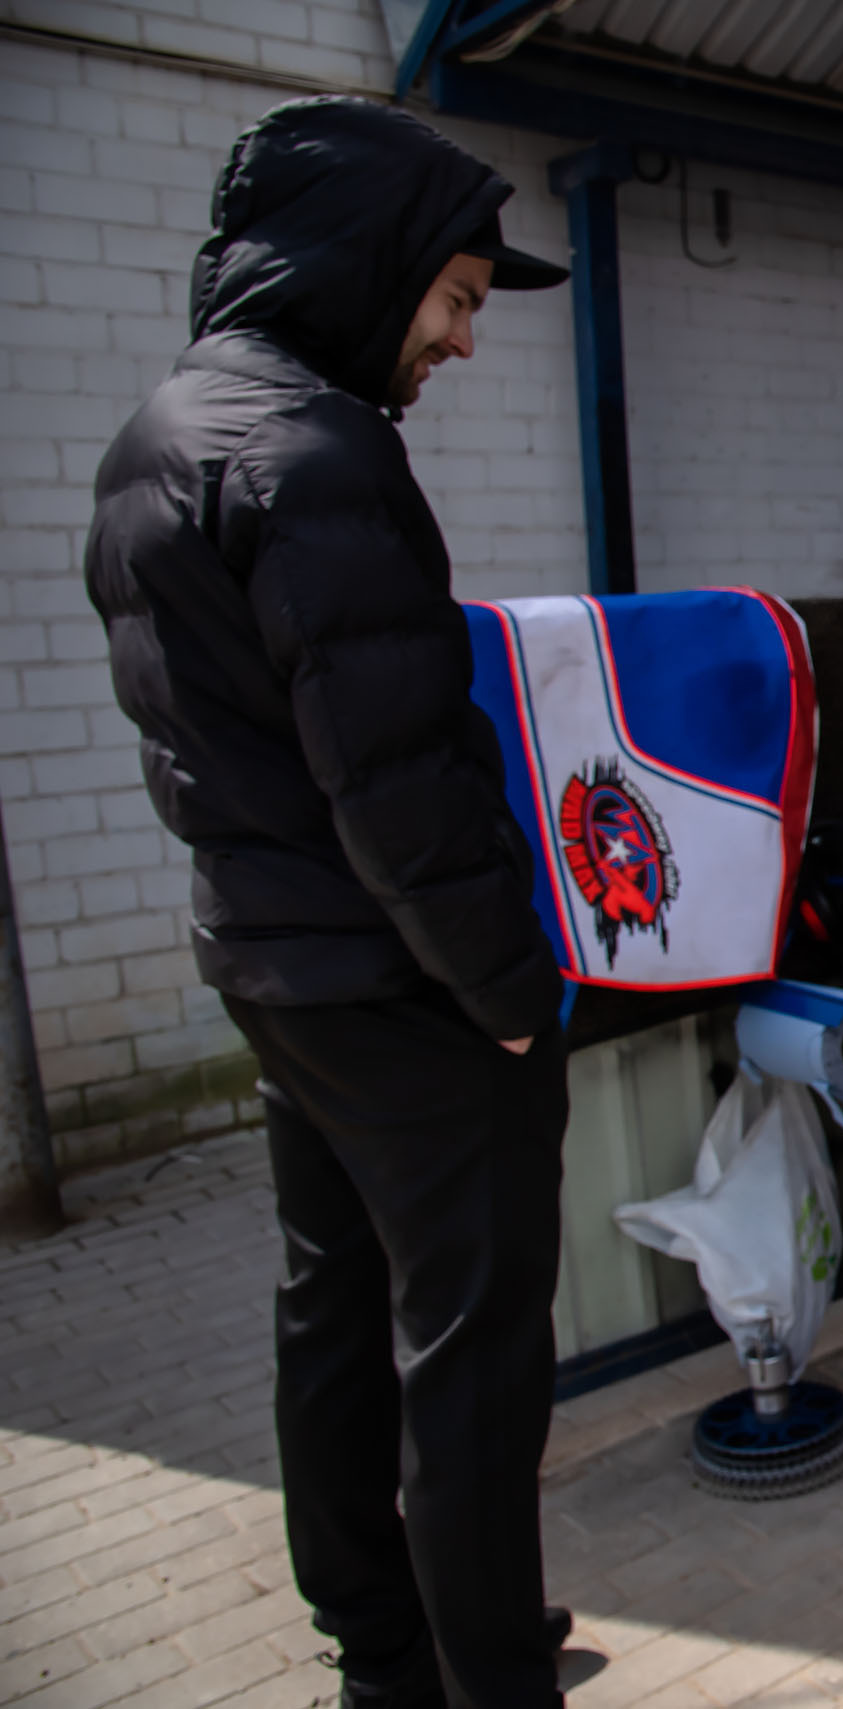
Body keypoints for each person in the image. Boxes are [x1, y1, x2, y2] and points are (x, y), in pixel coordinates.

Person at [85, 99, 576, 1709]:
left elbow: (219, 753)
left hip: (277, 973)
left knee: (333, 1308)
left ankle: (382, 1653)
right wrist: (511, 993)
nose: (459, 342)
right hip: (408, 989)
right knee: (472, 1351)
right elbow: (401, 783)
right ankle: (493, 1673)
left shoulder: (161, 437)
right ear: (363, 269)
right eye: (450, 301)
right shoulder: (318, 451)